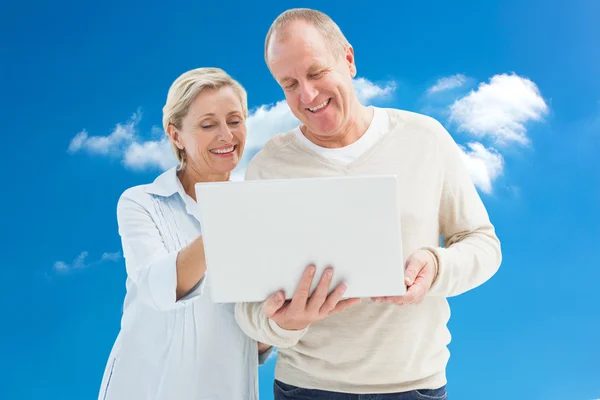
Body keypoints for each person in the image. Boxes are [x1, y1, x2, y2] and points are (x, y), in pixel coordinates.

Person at [234, 8, 503, 400]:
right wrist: (283, 324)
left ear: (348, 59)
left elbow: (483, 243)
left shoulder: (425, 139)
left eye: (315, 72)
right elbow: (246, 306)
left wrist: (437, 265)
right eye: (289, 83)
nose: (306, 95)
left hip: (416, 386)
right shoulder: (268, 167)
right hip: (306, 388)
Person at [97, 67, 314, 400]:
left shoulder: (261, 210)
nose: (226, 136)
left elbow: (253, 335)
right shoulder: (142, 202)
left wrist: (284, 321)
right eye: (208, 125)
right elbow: (158, 287)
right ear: (175, 135)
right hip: (146, 387)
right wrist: (232, 217)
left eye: (235, 120)